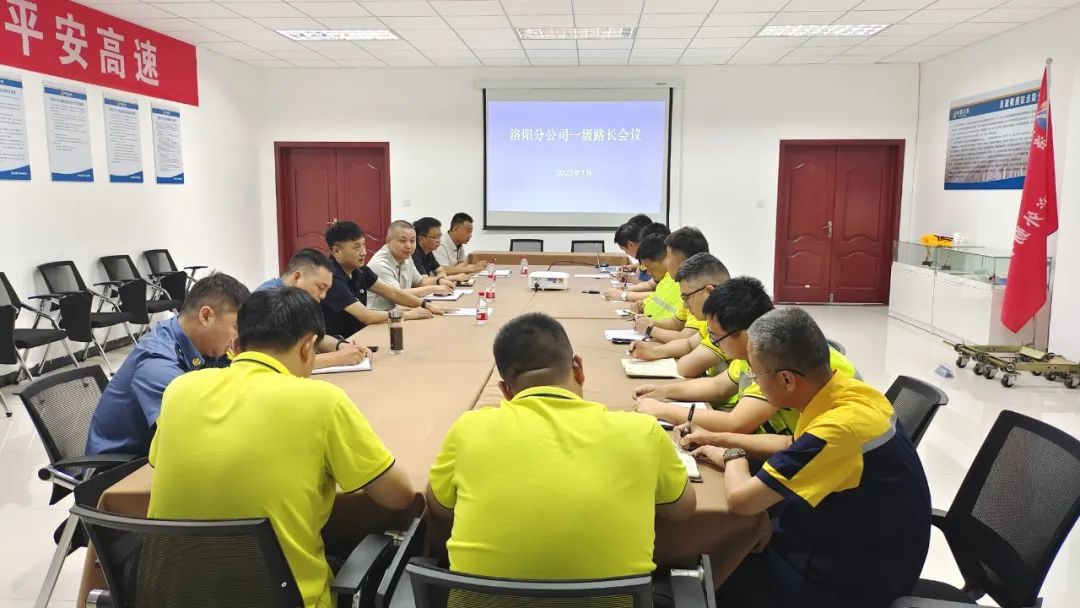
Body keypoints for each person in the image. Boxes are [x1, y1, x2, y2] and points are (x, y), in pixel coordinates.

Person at [148, 287, 415, 608]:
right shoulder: (321, 401)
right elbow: (398, 496)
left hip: (170, 597)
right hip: (285, 598)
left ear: (236, 345)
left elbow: (161, 462)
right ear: (307, 347)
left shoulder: (180, 389)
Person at [689, 308, 931, 608]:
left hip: (848, 580)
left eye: (755, 374)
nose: (754, 382)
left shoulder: (838, 430)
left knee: (709, 570)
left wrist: (732, 455)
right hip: (846, 538)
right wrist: (719, 439)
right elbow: (792, 445)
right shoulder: (850, 392)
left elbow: (742, 501)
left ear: (787, 380)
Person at [426, 312, 695, 580]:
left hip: (480, 599)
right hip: (615, 599)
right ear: (578, 368)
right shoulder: (642, 431)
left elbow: (440, 507)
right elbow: (681, 510)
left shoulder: (468, 428)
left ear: (505, 391)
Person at [635, 277, 857, 438]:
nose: (714, 342)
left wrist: (663, 410)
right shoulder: (756, 346)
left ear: (743, 334)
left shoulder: (776, 356)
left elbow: (736, 423)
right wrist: (662, 392)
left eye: (717, 336)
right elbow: (717, 387)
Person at [86, 273, 250, 456]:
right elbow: (195, 435)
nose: (239, 338)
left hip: (163, 453)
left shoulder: (203, 345)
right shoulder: (158, 364)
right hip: (123, 466)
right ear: (206, 316)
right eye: (236, 327)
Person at [322, 221, 442, 338]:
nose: (364, 252)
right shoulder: (330, 278)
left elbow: (393, 293)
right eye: (356, 247)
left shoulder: (360, 270)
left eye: (364, 245)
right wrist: (408, 315)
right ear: (336, 251)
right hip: (339, 342)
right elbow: (366, 316)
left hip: (360, 334)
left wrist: (424, 304)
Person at [255, 248, 371, 368]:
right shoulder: (267, 302)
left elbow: (311, 337)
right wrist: (337, 358)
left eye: (326, 290)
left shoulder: (298, 300)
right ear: (297, 277)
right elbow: (273, 362)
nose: (323, 296)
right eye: (320, 287)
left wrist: (342, 346)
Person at [631, 252, 732, 378]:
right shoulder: (713, 320)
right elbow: (688, 343)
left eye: (686, 298)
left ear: (708, 292)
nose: (685, 306)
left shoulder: (728, 325)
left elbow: (686, 367)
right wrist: (654, 351)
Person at [367, 220, 455, 311]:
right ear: (388, 241)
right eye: (402, 241)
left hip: (399, 310)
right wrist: (433, 288)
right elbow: (398, 295)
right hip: (379, 314)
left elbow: (419, 282)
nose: (409, 246)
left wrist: (439, 281)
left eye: (412, 241)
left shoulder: (406, 257)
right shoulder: (380, 263)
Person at [604, 222, 671, 301]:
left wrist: (624, 295)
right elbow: (651, 284)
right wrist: (628, 290)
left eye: (650, 268)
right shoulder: (664, 272)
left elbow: (661, 296)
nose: (648, 272)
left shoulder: (674, 276)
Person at [412, 217, 471, 282]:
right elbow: (424, 281)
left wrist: (442, 279)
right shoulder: (414, 253)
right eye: (435, 237)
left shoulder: (428, 251)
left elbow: (440, 271)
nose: (439, 240)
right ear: (421, 238)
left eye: (439, 236)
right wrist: (453, 278)